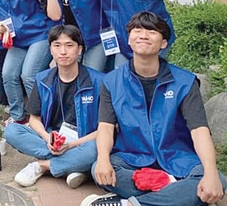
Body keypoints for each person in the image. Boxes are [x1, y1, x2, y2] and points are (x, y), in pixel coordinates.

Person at [83, 12, 226, 206]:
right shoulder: (111, 81)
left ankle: (129, 204)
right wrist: (102, 159)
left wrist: (209, 173)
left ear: (163, 43)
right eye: (137, 30)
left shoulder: (184, 82)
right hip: (133, 158)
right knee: (101, 168)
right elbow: (106, 127)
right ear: (129, 39)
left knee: (217, 179)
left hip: (177, 158)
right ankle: (176, 193)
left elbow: (199, 130)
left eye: (151, 31)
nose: (143, 35)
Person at [5, 25, 102, 189]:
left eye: (69, 45)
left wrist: (71, 145)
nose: (63, 51)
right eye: (57, 45)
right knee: (12, 130)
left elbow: (105, 128)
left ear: (79, 50)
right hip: (53, 137)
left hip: (83, 140)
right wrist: (47, 137)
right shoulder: (43, 78)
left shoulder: (99, 81)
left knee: (95, 148)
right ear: (50, 50)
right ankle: (74, 165)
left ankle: (42, 166)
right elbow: (34, 118)